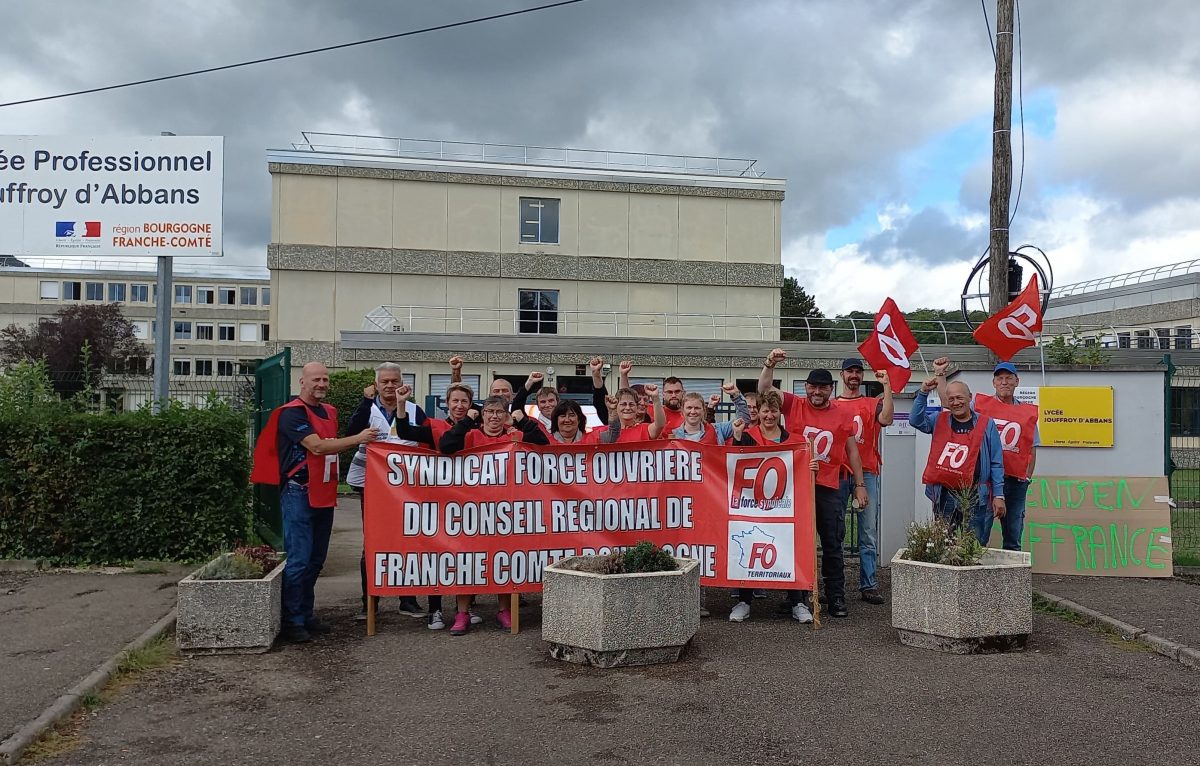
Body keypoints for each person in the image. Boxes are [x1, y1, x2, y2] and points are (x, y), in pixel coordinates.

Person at [250, 362, 378, 643]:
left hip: (322, 492)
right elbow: (318, 445)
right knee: (299, 559)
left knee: (316, 560)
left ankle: (305, 614)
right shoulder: (292, 413)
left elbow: (330, 445)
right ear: (302, 382)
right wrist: (359, 438)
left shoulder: (329, 411)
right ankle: (292, 620)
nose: (322, 384)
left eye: (325, 379)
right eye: (316, 379)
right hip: (298, 492)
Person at [758, 351, 868, 621]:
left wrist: (860, 483)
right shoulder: (794, 404)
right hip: (796, 485)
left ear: (831, 389)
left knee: (832, 542)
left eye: (822, 387)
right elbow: (763, 390)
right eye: (812, 386)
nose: (817, 391)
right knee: (795, 542)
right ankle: (796, 596)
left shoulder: (842, 414)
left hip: (829, 485)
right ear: (805, 387)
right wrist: (769, 364)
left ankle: (835, 596)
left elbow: (853, 451)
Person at [440, 396, 549, 634]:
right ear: (483, 414)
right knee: (468, 561)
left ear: (506, 415)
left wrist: (525, 422)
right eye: (489, 411)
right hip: (472, 510)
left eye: (500, 412)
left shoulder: (515, 436)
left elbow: (544, 446)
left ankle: (504, 610)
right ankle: (462, 613)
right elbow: (446, 446)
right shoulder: (471, 435)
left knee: (505, 560)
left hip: (505, 510)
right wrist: (466, 422)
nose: (494, 416)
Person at [345, 363, 429, 621]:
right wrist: (364, 404)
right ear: (376, 384)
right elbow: (350, 433)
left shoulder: (414, 410)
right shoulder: (366, 408)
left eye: (394, 381)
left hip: (408, 488)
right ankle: (369, 602)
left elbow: (427, 441)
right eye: (385, 382)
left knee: (408, 540)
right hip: (372, 486)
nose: (390, 386)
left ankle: (408, 600)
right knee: (371, 544)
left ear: (402, 382)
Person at [391, 381, 478, 630]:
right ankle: (435, 610)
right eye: (455, 401)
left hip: (469, 500)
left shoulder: (477, 425)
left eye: (464, 401)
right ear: (447, 403)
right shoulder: (435, 425)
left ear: (470, 404)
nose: (459, 405)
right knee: (437, 554)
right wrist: (401, 403)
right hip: (438, 499)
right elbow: (406, 431)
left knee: (468, 554)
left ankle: (465, 609)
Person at [934, 358, 1037, 550]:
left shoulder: (1027, 413)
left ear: (1017, 381)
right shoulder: (980, 406)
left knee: (1013, 535)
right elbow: (949, 403)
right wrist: (940, 375)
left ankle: (1011, 579)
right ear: (994, 383)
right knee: (980, 533)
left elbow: (1031, 448)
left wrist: (1027, 478)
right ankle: (979, 574)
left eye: (1009, 378)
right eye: (1000, 378)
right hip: (988, 482)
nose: (1004, 382)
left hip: (1015, 483)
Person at [910, 374, 1005, 544]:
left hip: (976, 494)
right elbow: (915, 420)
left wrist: (999, 495)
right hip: (945, 494)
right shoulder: (938, 420)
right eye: (951, 399)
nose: (956, 402)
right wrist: (923, 392)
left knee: (975, 544)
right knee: (944, 543)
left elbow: (996, 463)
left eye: (960, 398)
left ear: (970, 398)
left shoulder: (987, 424)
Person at [834, 357, 894, 606]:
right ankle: (834, 585)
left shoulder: (872, 403)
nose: (854, 375)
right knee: (834, 530)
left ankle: (868, 584)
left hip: (867, 471)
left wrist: (887, 386)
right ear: (842, 375)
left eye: (858, 371)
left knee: (867, 531)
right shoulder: (832, 404)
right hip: (838, 471)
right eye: (850, 371)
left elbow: (888, 419)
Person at [670, 384, 753, 445]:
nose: (693, 411)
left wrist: (736, 395)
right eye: (689, 408)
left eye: (697, 408)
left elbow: (744, 420)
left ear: (703, 410)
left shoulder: (718, 430)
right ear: (682, 411)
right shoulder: (673, 435)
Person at [619, 360, 685, 432]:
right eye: (669, 392)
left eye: (677, 391)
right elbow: (626, 398)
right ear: (663, 394)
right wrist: (623, 375)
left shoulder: (689, 414)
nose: (673, 395)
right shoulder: (651, 409)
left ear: (683, 393)